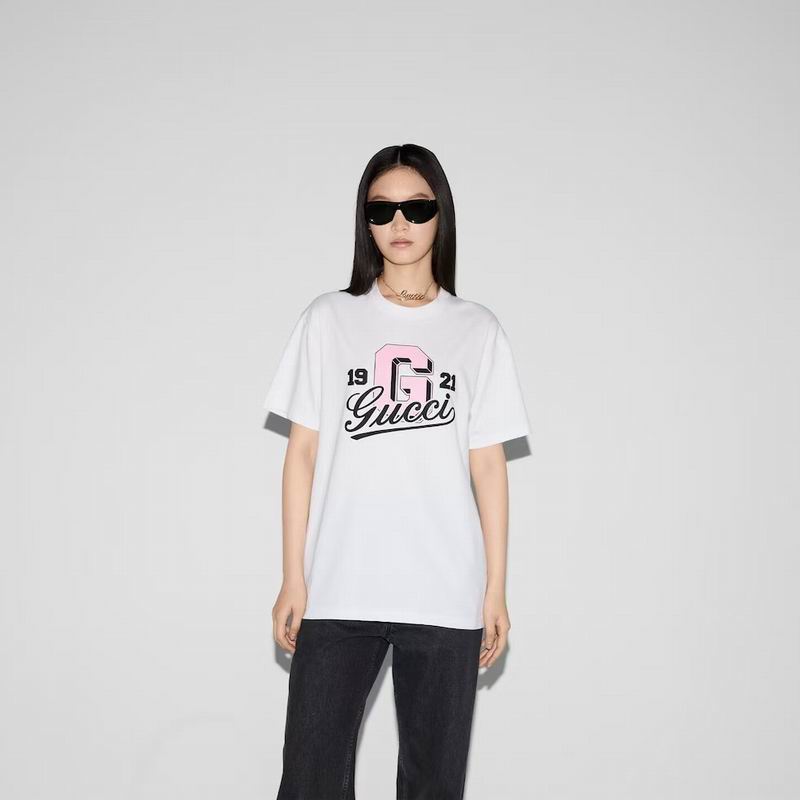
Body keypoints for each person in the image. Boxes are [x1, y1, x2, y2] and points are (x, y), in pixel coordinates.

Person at [261, 143, 531, 799]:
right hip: (339, 589)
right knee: (310, 781)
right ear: (366, 222)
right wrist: (294, 576)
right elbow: (302, 456)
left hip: (445, 591)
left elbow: (489, 466)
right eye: (382, 210)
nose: (400, 223)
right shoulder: (328, 319)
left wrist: (495, 588)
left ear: (442, 215)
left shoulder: (477, 330)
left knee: (433, 786)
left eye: (417, 207)